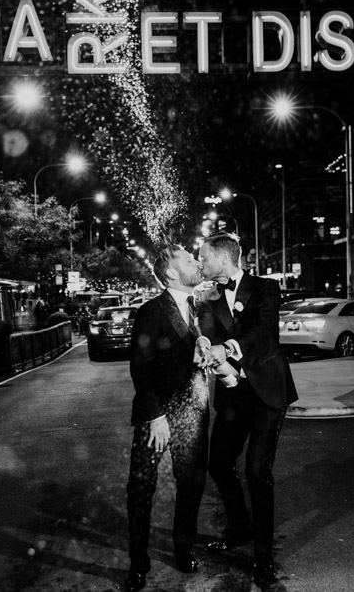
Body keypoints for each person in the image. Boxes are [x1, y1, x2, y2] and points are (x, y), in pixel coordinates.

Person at [125, 244, 233, 591]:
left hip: (193, 412)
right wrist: (156, 416)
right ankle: (138, 563)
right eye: (187, 259)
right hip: (153, 416)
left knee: (192, 484)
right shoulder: (151, 311)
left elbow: (213, 345)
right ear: (171, 273)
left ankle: (183, 548)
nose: (195, 261)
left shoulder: (202, 307)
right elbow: (140, 368)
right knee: (142, 488)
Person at [196, 233, 299, 588]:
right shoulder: (208, 294)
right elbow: (206, 329)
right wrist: (206, 345)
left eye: (204, 258)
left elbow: (263, 331)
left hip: (267, 391)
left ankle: (263, 556)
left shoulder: (265, 288)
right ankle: (239, 528)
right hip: (232, 395)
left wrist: (228, 347)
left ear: (223, 259)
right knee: (218, 463)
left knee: (258, 472)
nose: (201, 264)